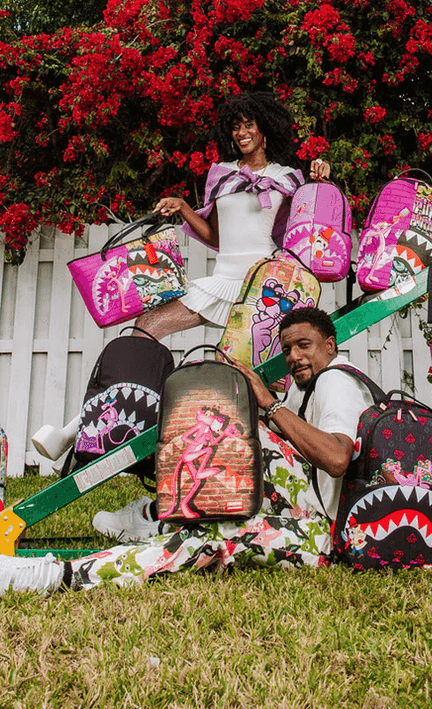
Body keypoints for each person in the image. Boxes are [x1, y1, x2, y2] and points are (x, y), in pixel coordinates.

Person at [0, 308, 377, 596]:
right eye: (288, 349)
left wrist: (269, 405)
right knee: (234, 431)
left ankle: (59, 577)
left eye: (304, 345)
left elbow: (336, 458)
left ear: (330, 344)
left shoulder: (336, 382)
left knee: (211, 537)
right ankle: (162, 515)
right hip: (311, 509)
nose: (294, 357)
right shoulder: (317, 385)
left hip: (327, 536)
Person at [31, 92, 330, 461]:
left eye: (249, 125)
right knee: (146, 327)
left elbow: (309, 221)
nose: (241, 132)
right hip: (222, 280)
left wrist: (321, 176)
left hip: (262, 288)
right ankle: (81, 427)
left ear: (264, 130)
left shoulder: (287, 177)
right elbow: (216, 237)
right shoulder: (221, 173)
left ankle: (291, 451)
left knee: (254, 376)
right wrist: (184, 207)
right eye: (235, 126)